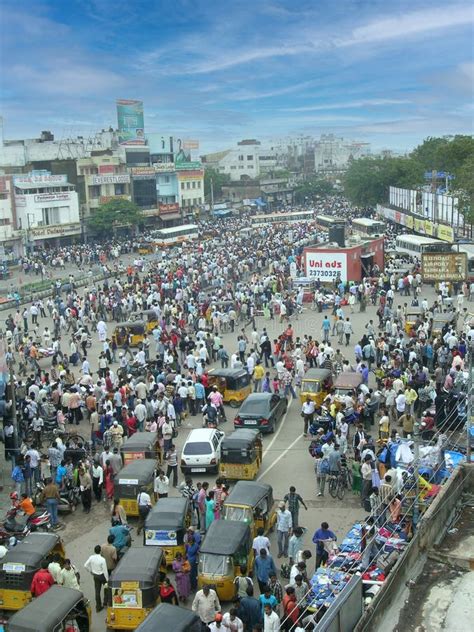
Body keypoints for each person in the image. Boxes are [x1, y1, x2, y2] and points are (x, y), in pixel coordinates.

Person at [84, 545, 109, 612]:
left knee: (97, 591)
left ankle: (98, 606)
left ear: (94, 551)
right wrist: (107, 580)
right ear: (100, 551)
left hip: (95, 576)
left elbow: (85, 565)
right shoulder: (102, 560)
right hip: (102, 576)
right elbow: (105, 571)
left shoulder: (91, 557)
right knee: (106, 588)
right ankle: (105, 603)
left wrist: (90, 571)